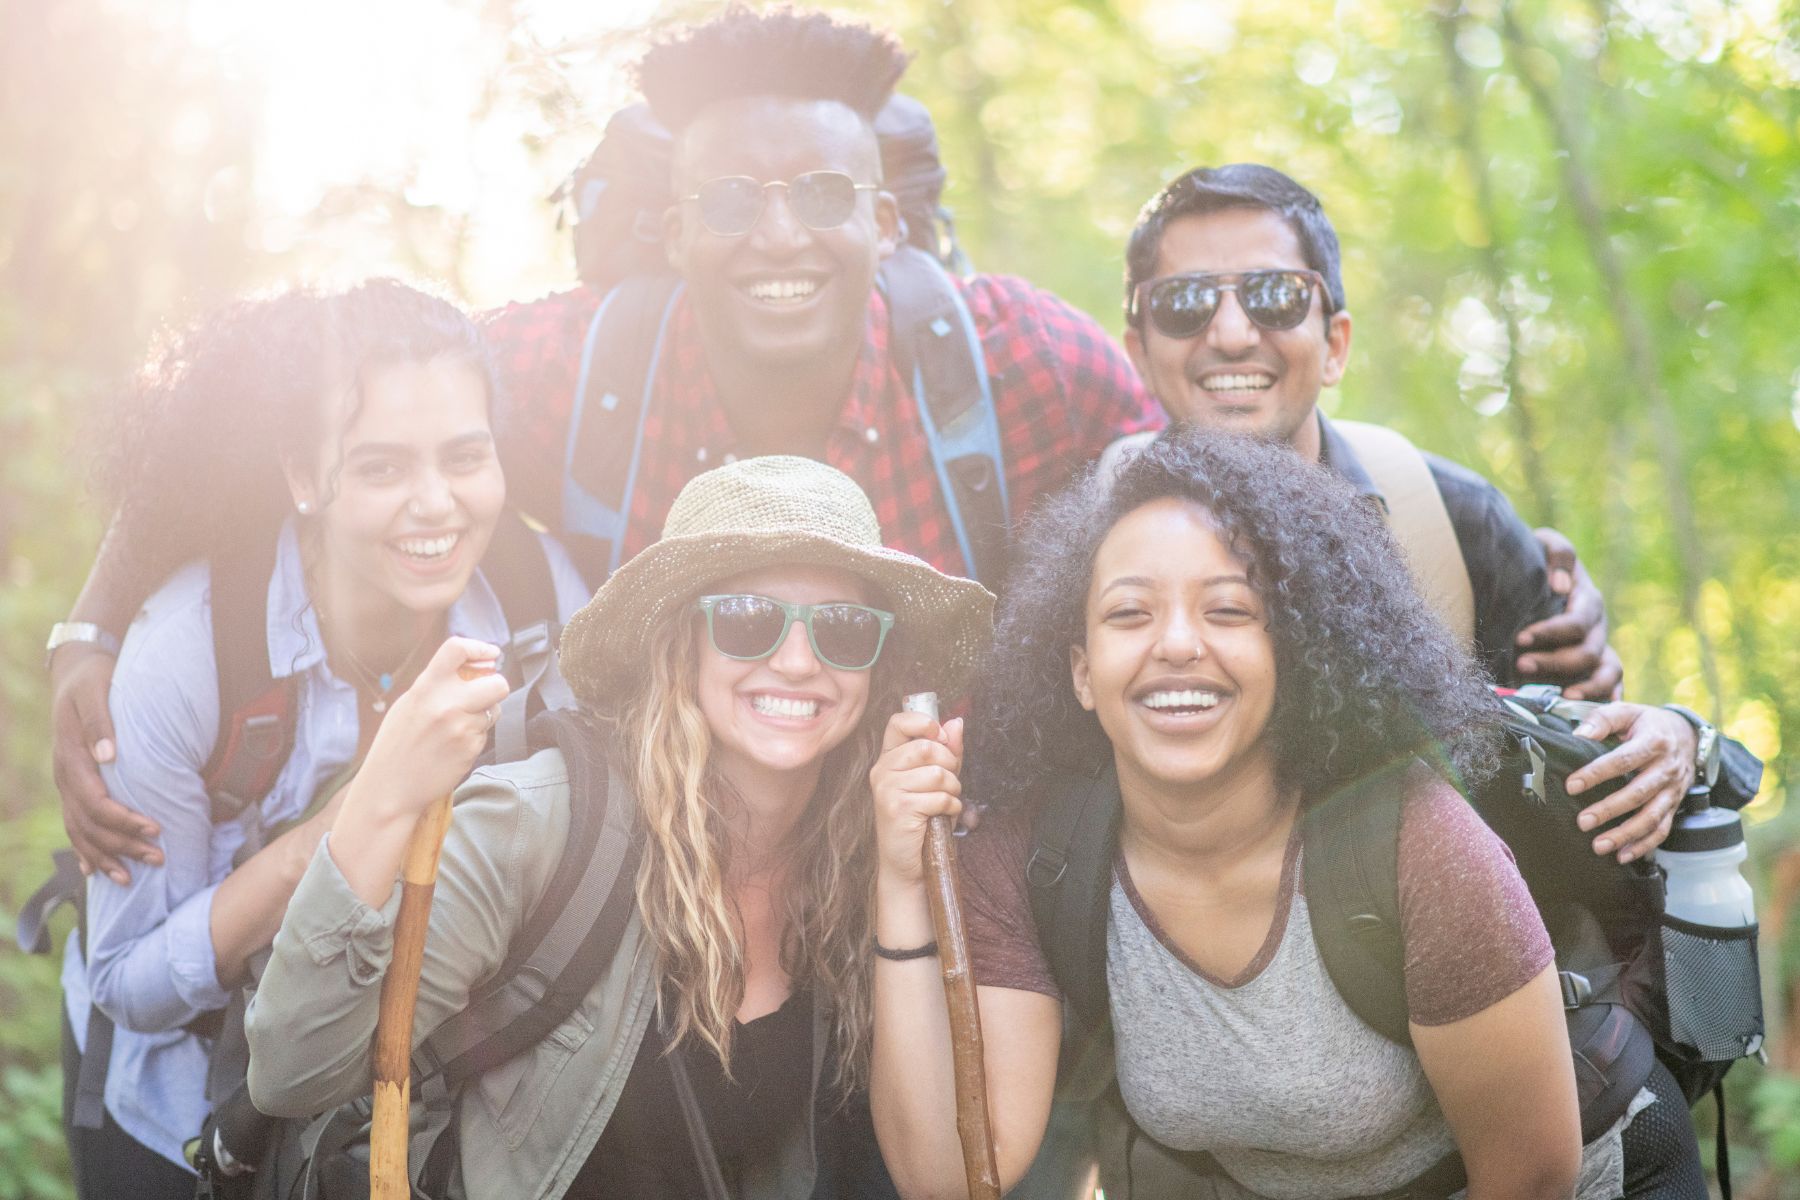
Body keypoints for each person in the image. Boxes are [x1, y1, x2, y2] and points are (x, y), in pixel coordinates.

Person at [46, 4, 1160, 887]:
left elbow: (1193, 502)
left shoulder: (1016, 362)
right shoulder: (574, 366)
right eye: (729, 200)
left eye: (823, 195)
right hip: (674, 896)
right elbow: (271, 406)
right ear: (674, 233)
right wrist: (91, 626)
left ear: (885, 221)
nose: (779, 234)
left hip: (952, 880)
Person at [870, 429, 1706, 1200]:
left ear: (1294, 652)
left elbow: (1529, 1179)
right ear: (1083, 673)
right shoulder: (1037, 856)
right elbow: (951, 1174)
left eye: (1229, 609)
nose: (1176, 644)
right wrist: (900, 880)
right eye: (1130, 612)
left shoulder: (1416, 842)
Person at [245, 456, 995, 1199]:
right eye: (747, 619)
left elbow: (940, 1180)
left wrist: (902, 880)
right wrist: (382, 796)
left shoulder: (860, 857)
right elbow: (291, 1071)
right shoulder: (539, 827)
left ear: (877, 665)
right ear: (682, 643)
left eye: (842, 628)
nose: (798, 661)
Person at [58, 279, 589, 1197]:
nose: (437, 505)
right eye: (382, 469)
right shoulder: (189, 653)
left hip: (408, 1105)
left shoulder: (539, 603)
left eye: (465, 457)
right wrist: (352, 830)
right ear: (303, 478)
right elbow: (129, 981)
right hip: (175, 1123)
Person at [1110, 163, 1760, 862]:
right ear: (1138, 352)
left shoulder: (1454, 523)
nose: (1233, 333)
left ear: (1335, 344)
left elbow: (1591, 762)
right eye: (1185, 302)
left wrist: (1682, 737)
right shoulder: (1084, 541)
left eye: (1276, 297)